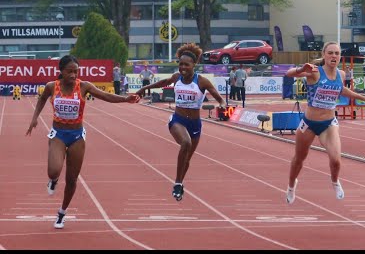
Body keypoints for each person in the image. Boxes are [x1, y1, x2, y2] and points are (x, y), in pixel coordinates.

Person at [26, 55, 139, 229]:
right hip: (58, 134)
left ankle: (62, 213)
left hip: (77, 136)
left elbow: (105, 96)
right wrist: (34, 118)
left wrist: (125, 99)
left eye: (75, 71)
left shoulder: (84, 86)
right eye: (69, 71)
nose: (73, 75)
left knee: (72, 180)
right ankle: (53, 180)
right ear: (61, 71)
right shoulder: (51, 86)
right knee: (53, 170)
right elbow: (41, 100)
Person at [284, 41, 365, 204]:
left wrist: (364, 97)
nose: (334, 56)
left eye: (336, 53)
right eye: (330, 53)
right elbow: (289, 73)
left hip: (328, 124)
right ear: (324, 55)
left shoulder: (341, 75)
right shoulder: (314, 72)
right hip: (308, 123)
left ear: (340, 56)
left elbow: (341, 89)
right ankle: (292, 185)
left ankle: (335, 181)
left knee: (336, 159)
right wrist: (301, 70)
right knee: (299, 159)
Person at [135, 43, 226, 201]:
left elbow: (220, 99)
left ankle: (180, 182)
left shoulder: (202, 81)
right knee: (186, 143)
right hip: (178, 120)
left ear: (194, 65)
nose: (182, 67)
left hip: (195, 124)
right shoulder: (177, 78)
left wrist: (223, 106)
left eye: (186, 64)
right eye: (180, 64)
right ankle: (177, 183)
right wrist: (144, 88)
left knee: (187, 159)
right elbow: (162, 83)